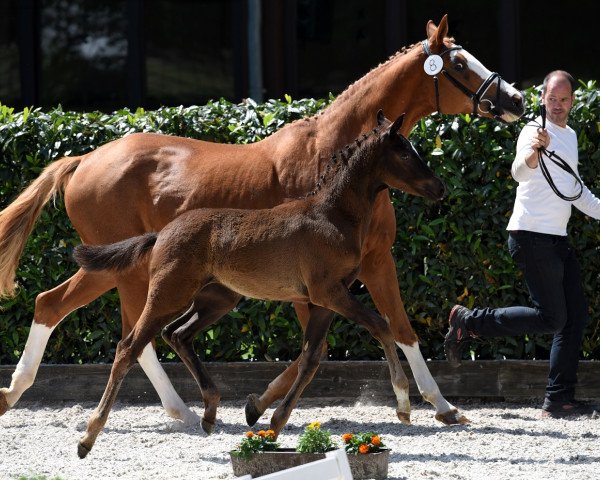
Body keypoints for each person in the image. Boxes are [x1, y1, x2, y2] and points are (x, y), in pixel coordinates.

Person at [443, 70, 600, 418]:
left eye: (565, 99)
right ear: (542, 97)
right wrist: (535, 152)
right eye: (552, 98)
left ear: (573, 101)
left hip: (557, 239)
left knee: (574, 316)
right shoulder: (533, 131)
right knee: (552, 317)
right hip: (530, 237)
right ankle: (470, 322)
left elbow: (576, 192)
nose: (558, 105)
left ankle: (558, 399)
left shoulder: (570, 135)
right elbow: (519, 172)